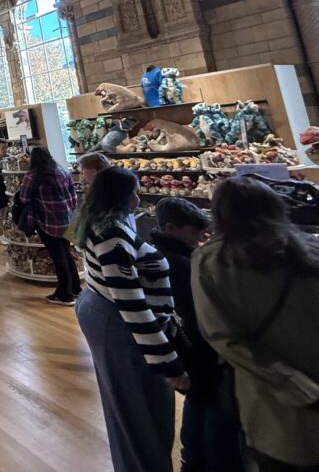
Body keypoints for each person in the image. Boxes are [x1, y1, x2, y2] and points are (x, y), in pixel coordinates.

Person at [192, 177, 319, 471]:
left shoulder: (214, 261)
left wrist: (299, 387)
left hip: (277, 402)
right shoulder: (308, 249)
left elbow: (222, 337)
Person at [73, 166, 188, 472]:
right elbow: (131, 304)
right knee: (139, 410)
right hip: (121, 327)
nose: (138, 197)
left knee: (129, 406)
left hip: (104, 311)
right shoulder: (112, 237)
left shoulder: (103, 225)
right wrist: (168, 361)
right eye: (134, 191)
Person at [150, 197, 244, 472]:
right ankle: (215, 462)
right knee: (215, 404)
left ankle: (192, 458)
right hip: (198, 345)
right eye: (193, 234)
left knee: (198, 399)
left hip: (184, 345)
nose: (198, 239)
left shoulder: (162, 253)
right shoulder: (180, 264)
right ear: (171, 228)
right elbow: (198, 309)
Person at [16, 146, 80, 305]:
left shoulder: (32, 176)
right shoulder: (62, 170)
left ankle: (64, 294)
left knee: (58, 256)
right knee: (66, 252)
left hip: (47, 221)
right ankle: (76, 288)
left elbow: (24, 198)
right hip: (68, 219)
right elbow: (73, 196)